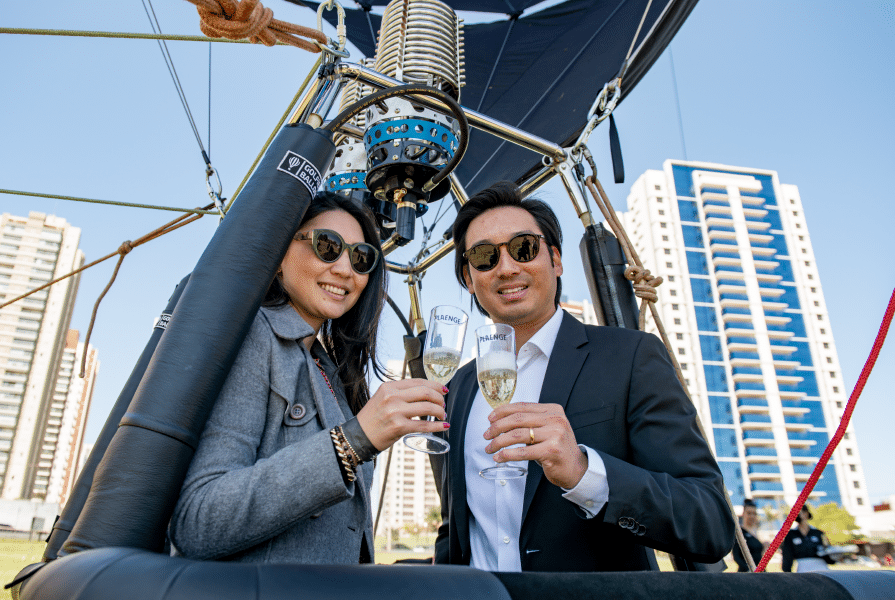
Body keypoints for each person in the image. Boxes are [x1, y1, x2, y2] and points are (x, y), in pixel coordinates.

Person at [430, 182, 734, 572]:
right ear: (469, 279)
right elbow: (453, 525)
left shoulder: (630, 356)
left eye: (524, 247)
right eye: (485, 256)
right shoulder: (457, 387)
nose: (506, 267)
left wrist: (583, 472)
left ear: (555, 260)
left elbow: (709, 522)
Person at [169, 192, 449, 564]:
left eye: (360, 257)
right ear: (281, 251)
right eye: (328, 246)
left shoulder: (328, 368)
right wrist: (353, 441)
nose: (346, 270)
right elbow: (199, 521)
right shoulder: (253, 335)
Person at [781, 505, 834, 572]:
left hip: (822, 568)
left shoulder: (818, 533)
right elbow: (787, 555)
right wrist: (787, 572)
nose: (801, 515)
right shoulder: (791, 535)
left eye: (803, 512)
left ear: (807, 513)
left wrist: (834, 558)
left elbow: (828, 550)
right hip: (803, 569)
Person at [732, 499, 764, 571]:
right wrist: (749, 569)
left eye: (754, 513)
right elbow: (736, 557)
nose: (752, 516)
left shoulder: (758, 532)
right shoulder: (739, 533)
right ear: (743, 514)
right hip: (746, 574)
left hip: (760, 573)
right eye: (749, 513)